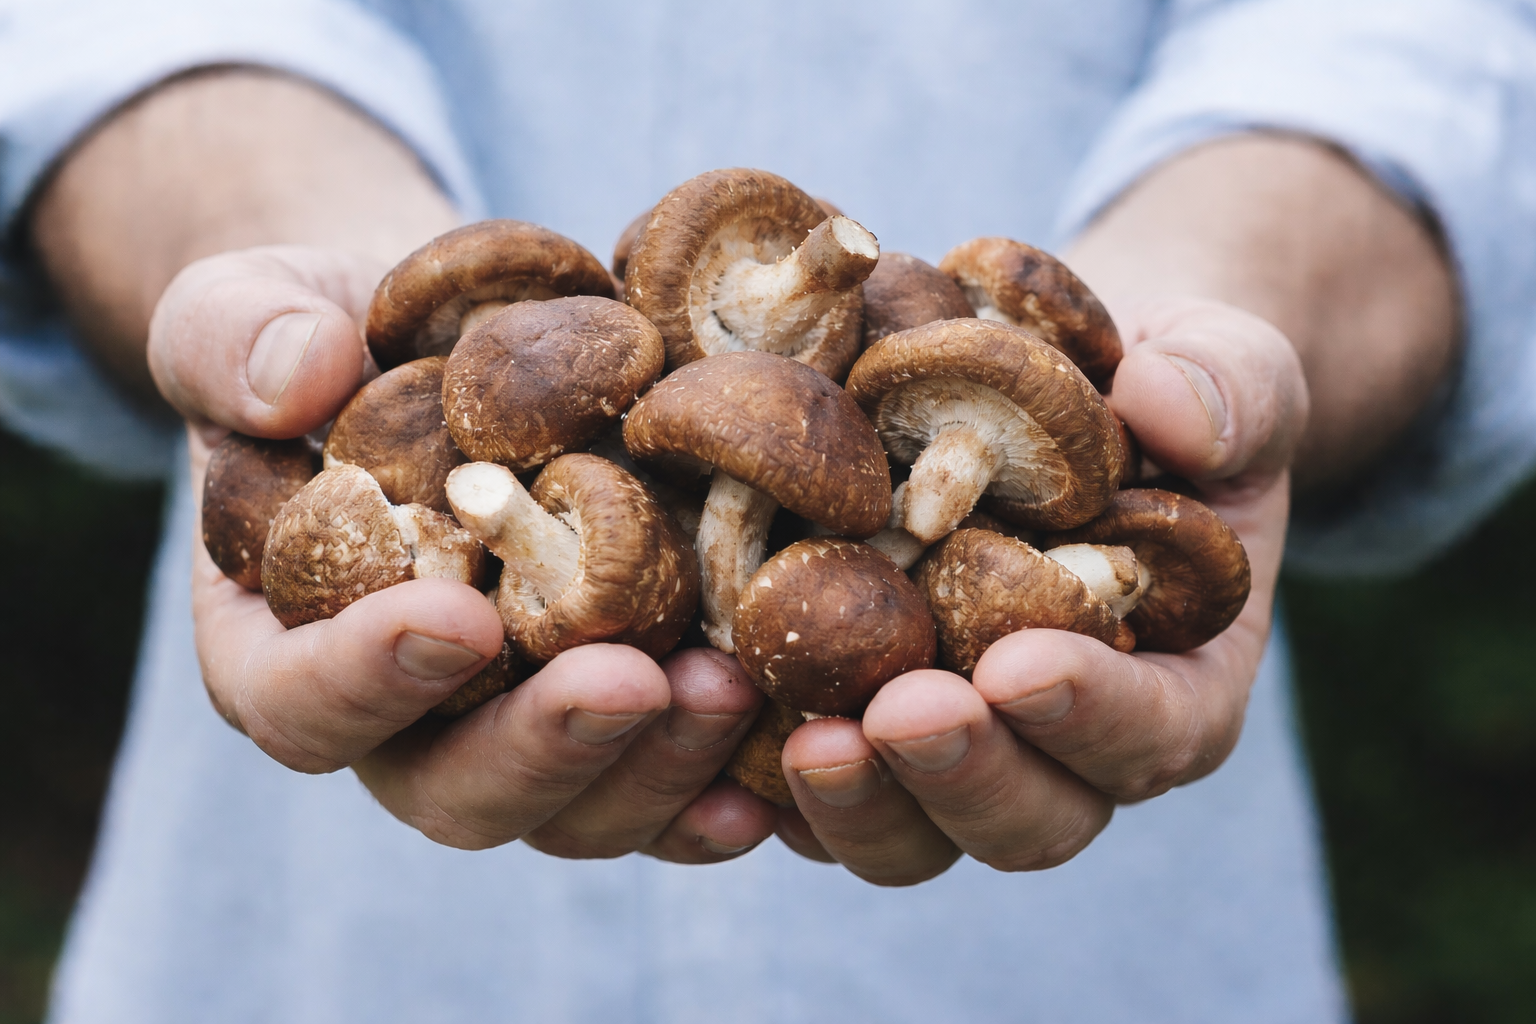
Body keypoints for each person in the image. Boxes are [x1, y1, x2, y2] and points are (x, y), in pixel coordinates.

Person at [4, 1, 1535, 1020]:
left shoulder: (927, 414)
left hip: (1095, 940)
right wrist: (272, 251)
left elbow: (1409, 46)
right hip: (323, 943)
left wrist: (1223, 318)